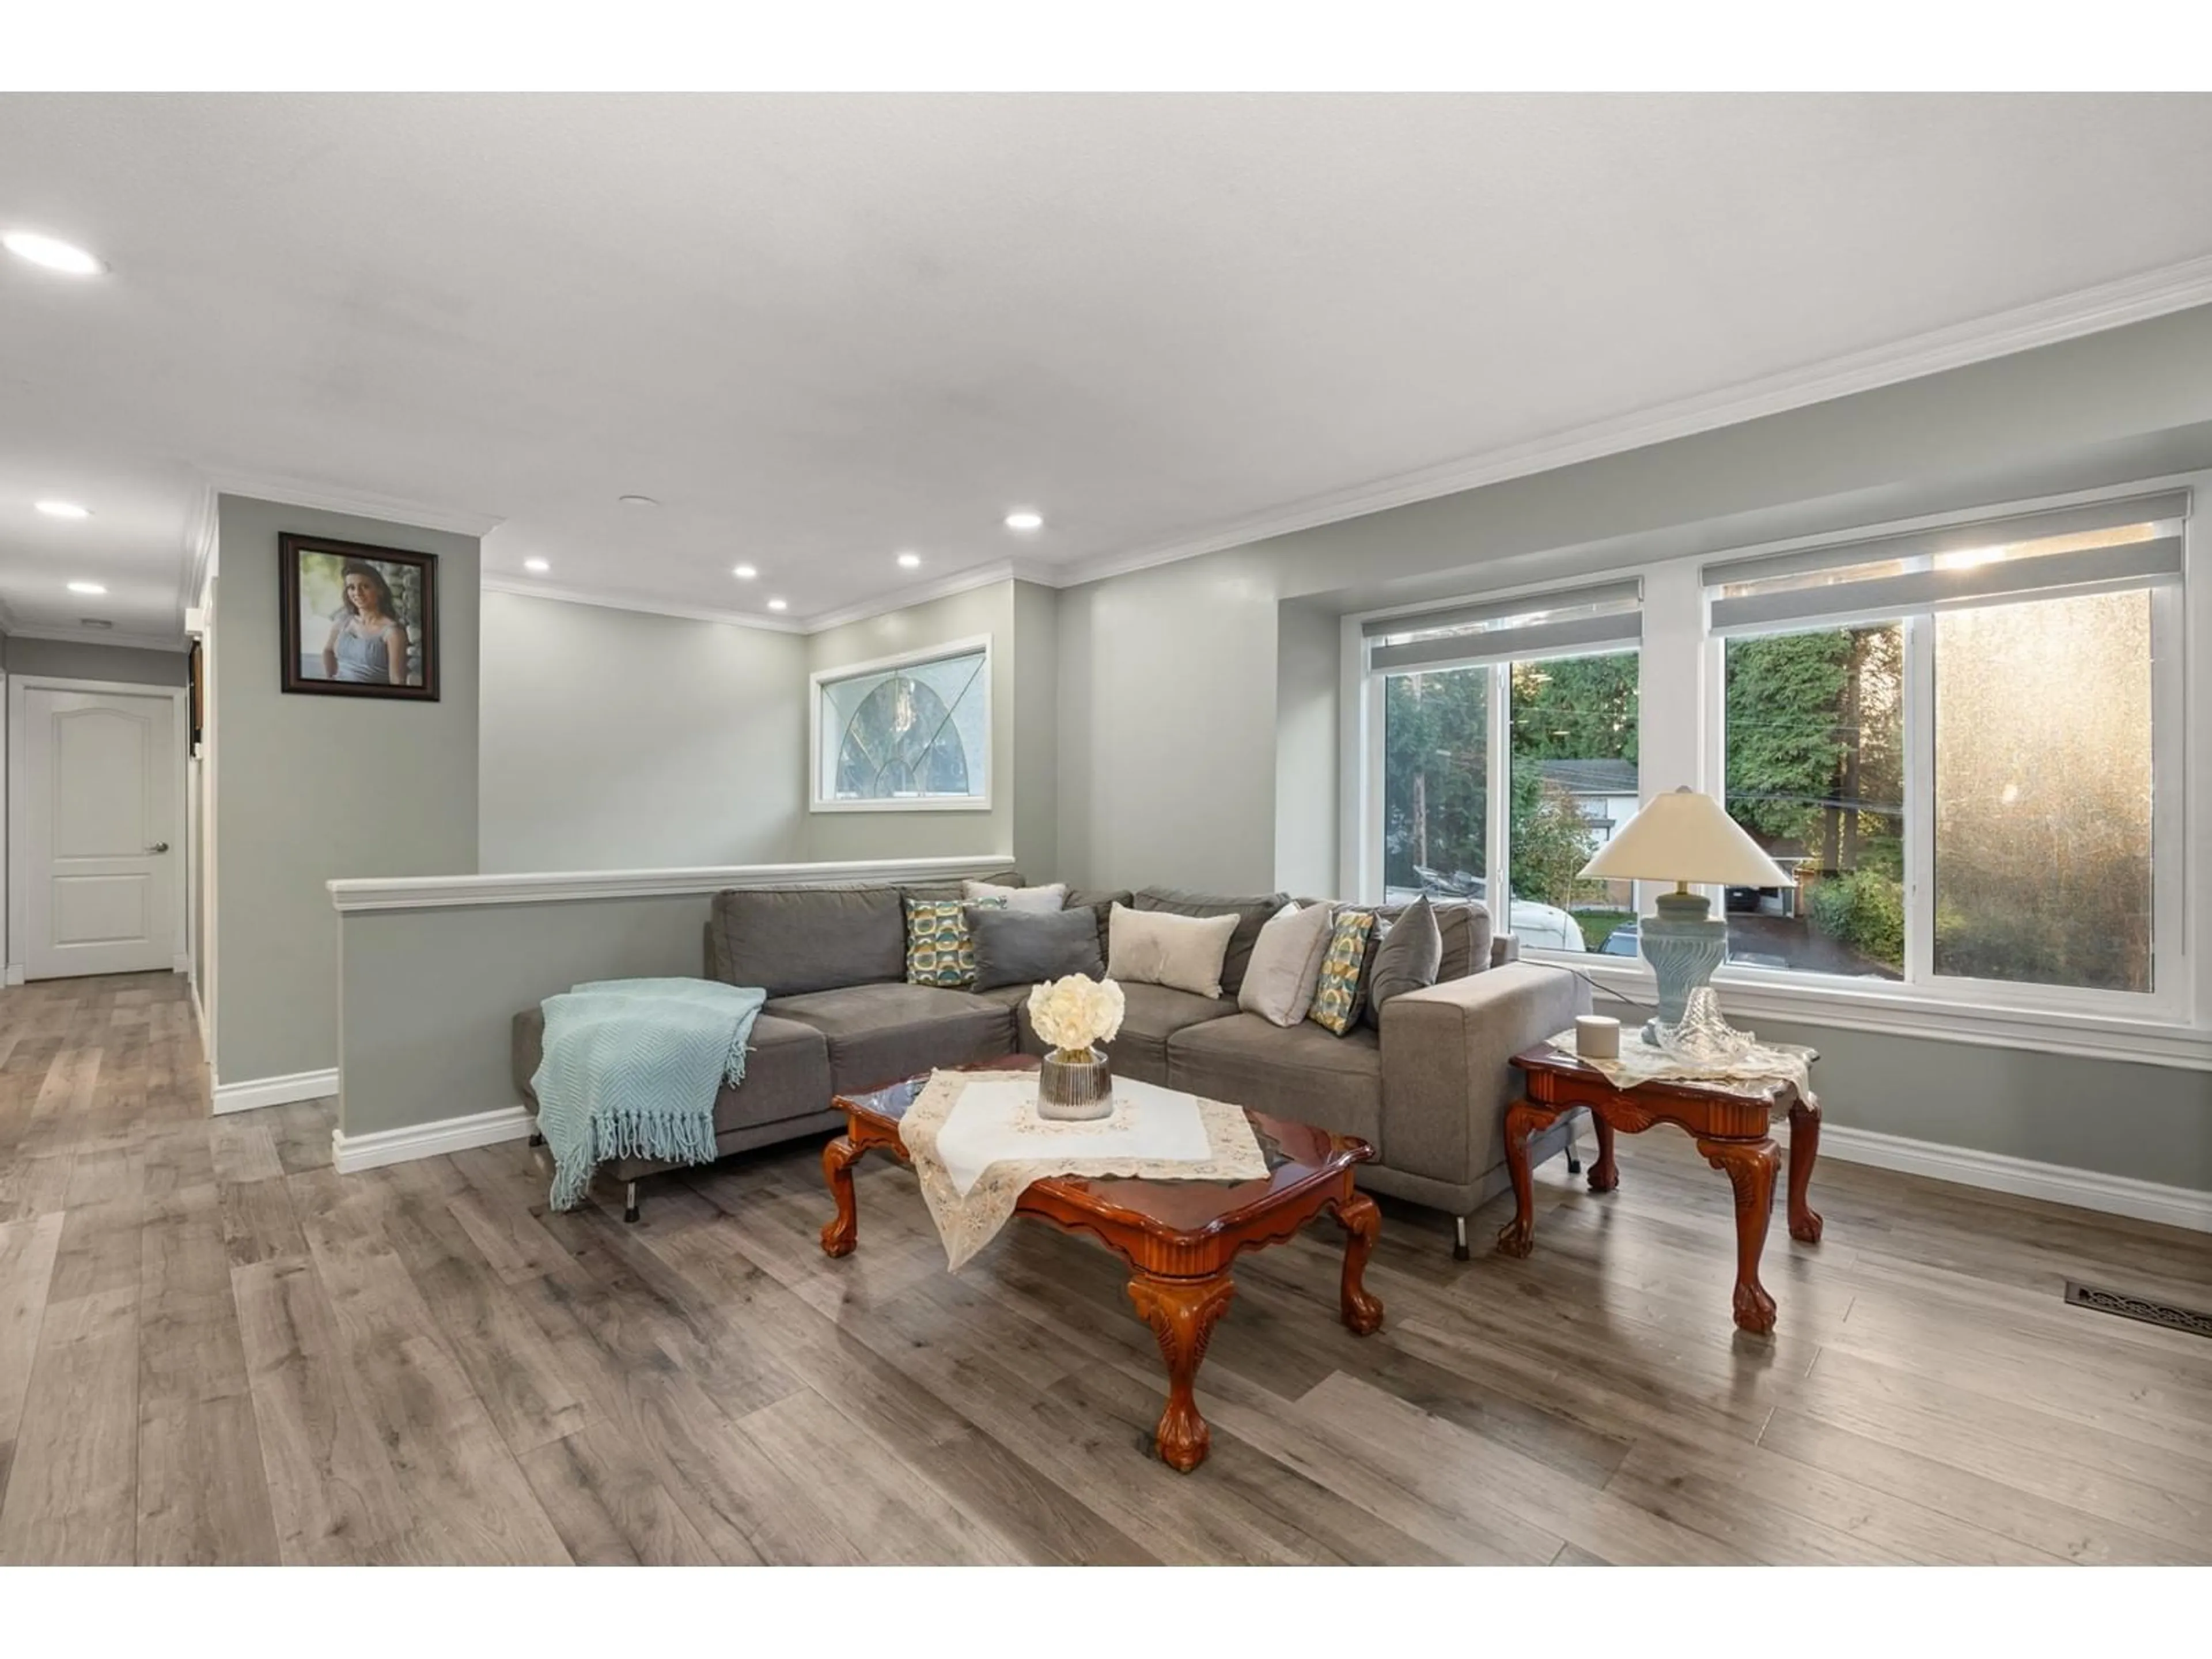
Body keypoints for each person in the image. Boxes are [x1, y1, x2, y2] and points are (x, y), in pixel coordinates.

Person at [321, 560, 411, 685]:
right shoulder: (343, 622)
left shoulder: (393, 632)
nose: (357, 593)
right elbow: (328, 651)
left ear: (380, 590)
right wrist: (330, 680)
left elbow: (397, 680)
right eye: (351, 588)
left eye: (365, 586)